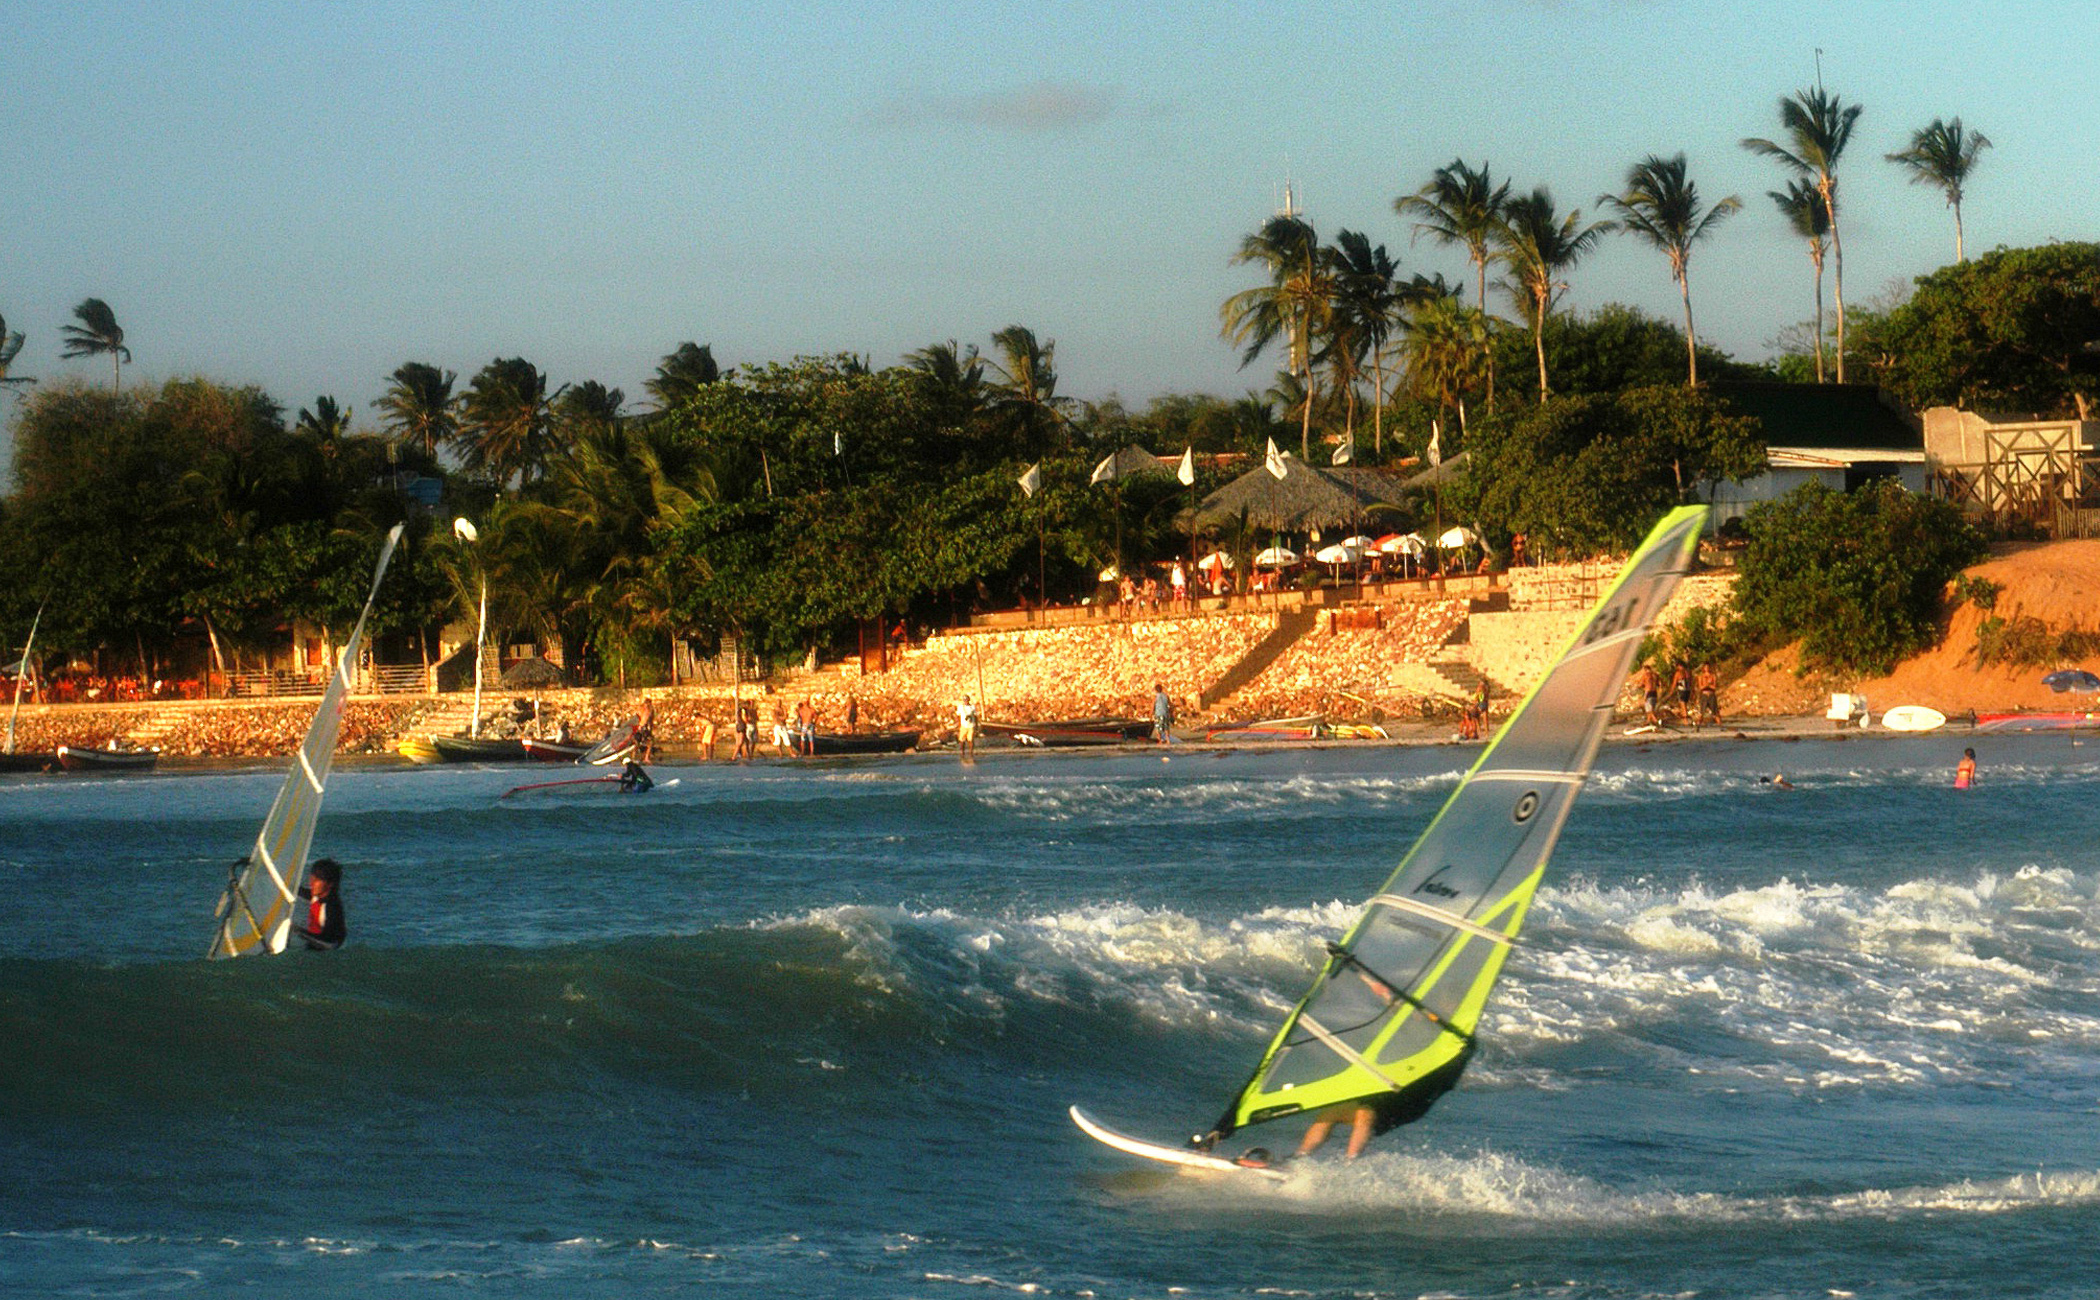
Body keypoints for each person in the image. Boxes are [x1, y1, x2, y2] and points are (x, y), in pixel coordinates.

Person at [295, 859, 346, 951]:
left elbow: (329, 941)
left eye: (316, 880)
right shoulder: (317, 895)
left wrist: (298, 931)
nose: (311, 884)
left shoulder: (332, 907)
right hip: (314, 942)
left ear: (330, 884)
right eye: (311, 879)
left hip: (328, 948)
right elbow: (298, 891)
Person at [1637, 662, 1663, 726]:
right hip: (1654, 693)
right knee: (1651, 709)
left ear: (1645, 669)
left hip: (1648, 692)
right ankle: (1648, 722)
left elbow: (1641, 684)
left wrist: (1638, 685)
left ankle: (1656, 721)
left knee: (1649, 711)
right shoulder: (1655, 675)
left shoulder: (1646, 675)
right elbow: (1660, 684)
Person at [1695, 661, 1720, 728]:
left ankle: (1720, 725)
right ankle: (1698, 726)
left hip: (1711, 695)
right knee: (1702, 712)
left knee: (1715, 712)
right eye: (1705, 667)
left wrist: (1708, 685)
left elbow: (1714, 687)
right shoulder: (1701, 676)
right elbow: (1700, 687)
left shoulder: (1713, 676)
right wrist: (1707, 685)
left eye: (1708, 667)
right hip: (1704, 695)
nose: (1707, 668)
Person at [635, 697, 656, 762]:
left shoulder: (640, 709)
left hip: (639, 727)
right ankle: (646, 758)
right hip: (643, 727)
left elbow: (637, 718)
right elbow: (649, 720)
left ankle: (634, 757)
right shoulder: (649, 710)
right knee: (650, 742)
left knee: (637, 742)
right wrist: (650, 729)